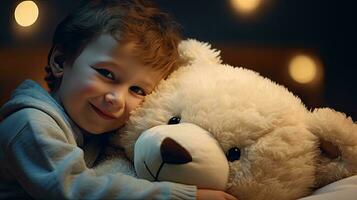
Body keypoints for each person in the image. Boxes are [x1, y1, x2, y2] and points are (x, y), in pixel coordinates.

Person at [0, 0, 237, 199]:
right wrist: (184, 195)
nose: (117, 98)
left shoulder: (102, 134)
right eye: (106, 74)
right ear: (61, 62)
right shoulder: (28, 122)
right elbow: (73, 189)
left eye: (138, 90)